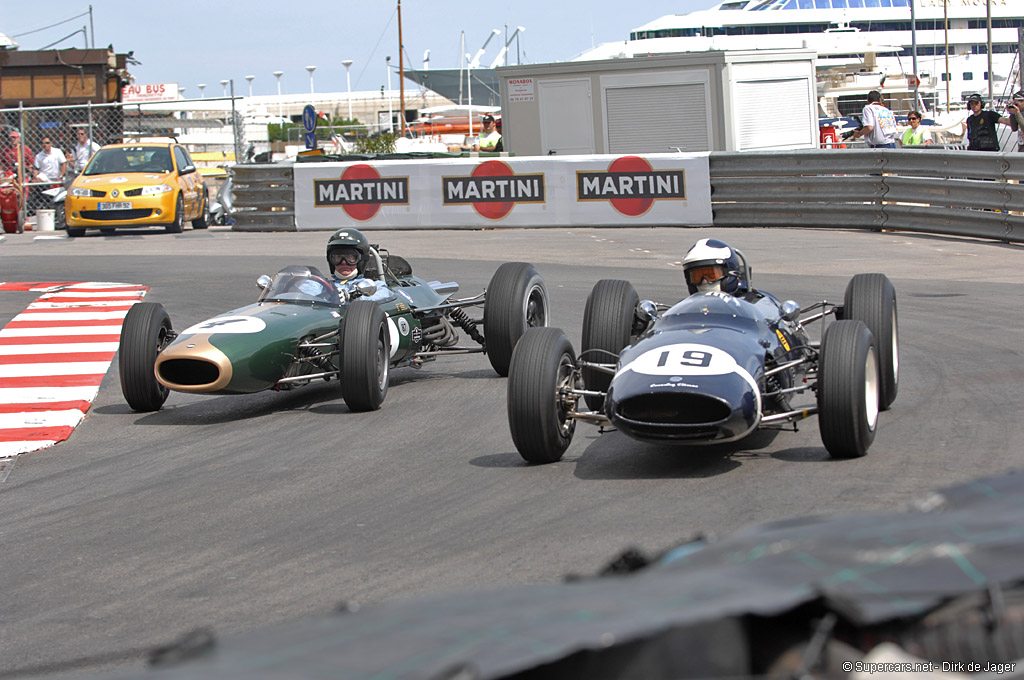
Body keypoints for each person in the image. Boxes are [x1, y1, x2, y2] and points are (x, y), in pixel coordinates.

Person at [325, 228, 393, 302]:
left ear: (361, 261)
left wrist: (351, 297)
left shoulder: (375, 286)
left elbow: (384, 294)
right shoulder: (323, 286)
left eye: (350, 257)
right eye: (337, 257)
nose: (343, 262)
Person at [680, 238, 750, 297]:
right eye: (697, 276)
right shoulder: (685, 309)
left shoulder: (747, 306)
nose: (704, 281)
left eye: (711, 275)